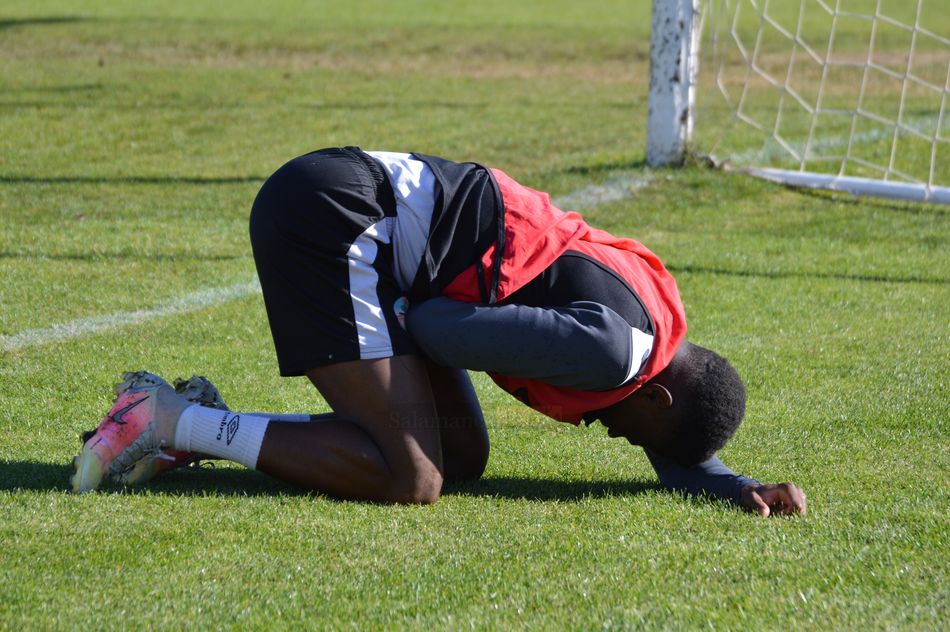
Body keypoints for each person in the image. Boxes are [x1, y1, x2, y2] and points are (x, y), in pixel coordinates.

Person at [72, 147, 806, 516]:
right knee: (413, 478)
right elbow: (432, 325)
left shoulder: (653, 324)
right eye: (629, 436)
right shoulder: (612, 358)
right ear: (657, 401)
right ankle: (167, 418)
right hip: (336, 224)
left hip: (357, 203)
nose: (608, 436)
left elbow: (669, 445)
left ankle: (194, 421)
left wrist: (734, 484)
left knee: (462, 452)